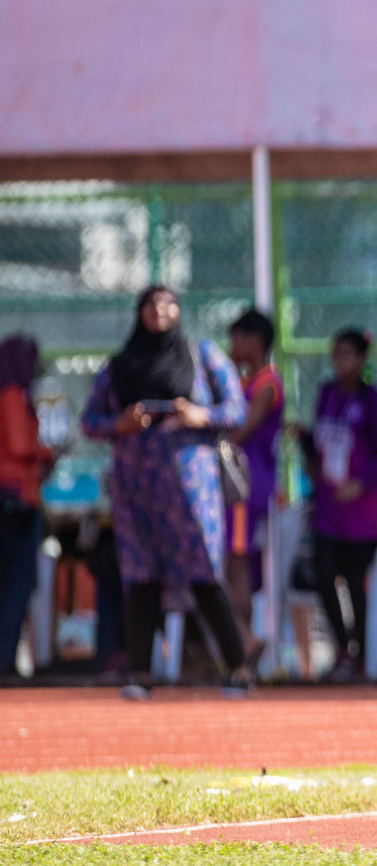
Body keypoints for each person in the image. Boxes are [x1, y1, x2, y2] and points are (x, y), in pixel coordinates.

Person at [79, 287, 251, 699]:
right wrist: (119, 423)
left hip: (191, 484)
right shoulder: (120, 365)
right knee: (140, 576)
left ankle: (239, 667)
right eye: (151, 305)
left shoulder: (202, 355)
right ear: (138, 312)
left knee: (205, 572)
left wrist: (198, 414)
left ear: (178, 311)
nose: (160, 311)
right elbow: (89, 420)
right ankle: (139, 673)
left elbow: (237, 408)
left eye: (168, 304)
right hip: (136, 484)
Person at [300, 327, 377, 682]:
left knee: (356, 581)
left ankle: (361, 653)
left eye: (347, 354)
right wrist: (304, 440)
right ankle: (343, 648)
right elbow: (321, 443)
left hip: (362, 514)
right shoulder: (326, 395)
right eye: (335, 353)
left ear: (361, 358)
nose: (340, 361)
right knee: (323, 577)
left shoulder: (374, 402)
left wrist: (360, 485)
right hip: (328, 511)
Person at [224, 309, 284, 666]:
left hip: (245, 484)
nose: (232, 347)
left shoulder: (267, 384)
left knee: (238, 562)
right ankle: (239, 642)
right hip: (237, 483)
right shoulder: (247, 381)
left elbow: (241, 430)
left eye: (237, 339)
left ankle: (244, 641)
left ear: (254, 340)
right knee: (233, 563)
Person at [0, 336, 57, 677]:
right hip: (15, 500)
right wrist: (48, 452)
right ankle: (5, 659)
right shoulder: (12, 394)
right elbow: (22, 446)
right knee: (17, 582)